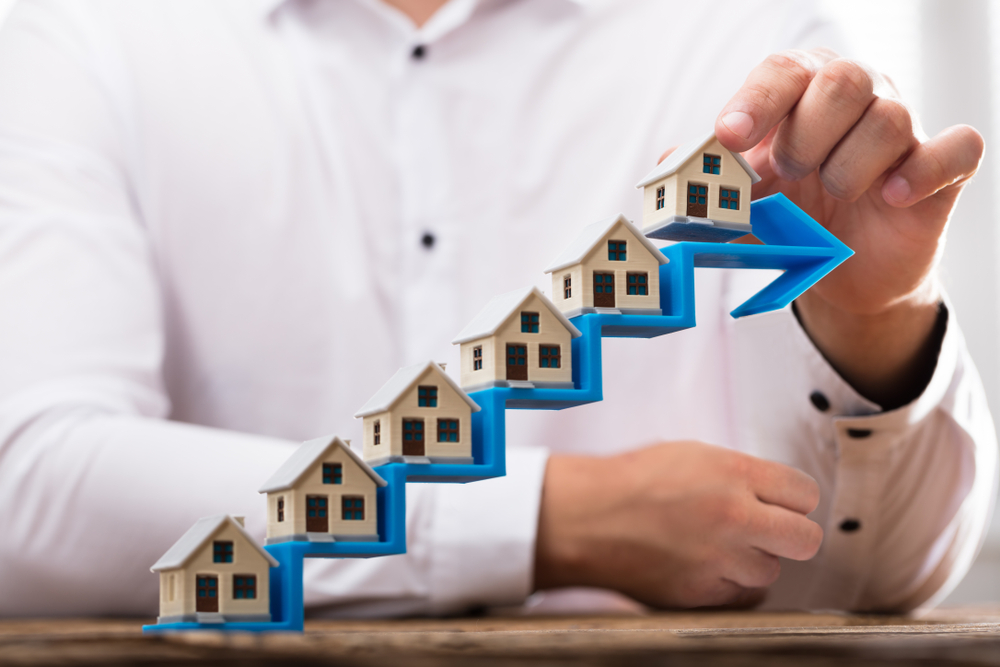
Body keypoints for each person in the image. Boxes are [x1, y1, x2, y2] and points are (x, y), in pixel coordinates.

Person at [0, 0, 994, 617]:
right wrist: (551, 519)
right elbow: (30, 493)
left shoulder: (745, 36)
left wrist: (872, 320)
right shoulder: (81, 34)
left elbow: (863, 580)